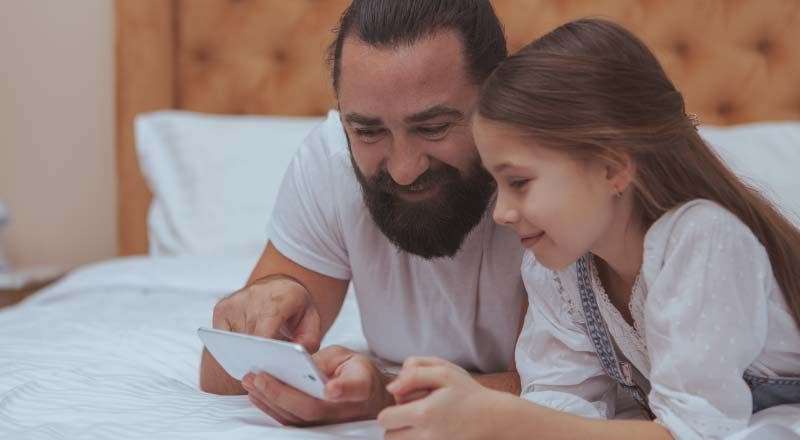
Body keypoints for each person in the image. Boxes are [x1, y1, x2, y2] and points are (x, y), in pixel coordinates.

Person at [377, 19, 800, 440]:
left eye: (519, 182)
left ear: (613, 168)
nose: (501, 213)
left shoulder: (703, 241)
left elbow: (693, 432)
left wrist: (500, 419)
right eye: (497, 185)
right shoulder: (560, 270)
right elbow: (559, 403)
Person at [199, 0, 527, 426]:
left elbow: (572, 389)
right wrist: (268, 301)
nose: (404, 170)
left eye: (432, 128)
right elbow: (219, 375)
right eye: (369, 131)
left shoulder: (549, 174)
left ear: (495, 97)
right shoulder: (331, 162)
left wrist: (386, 394)